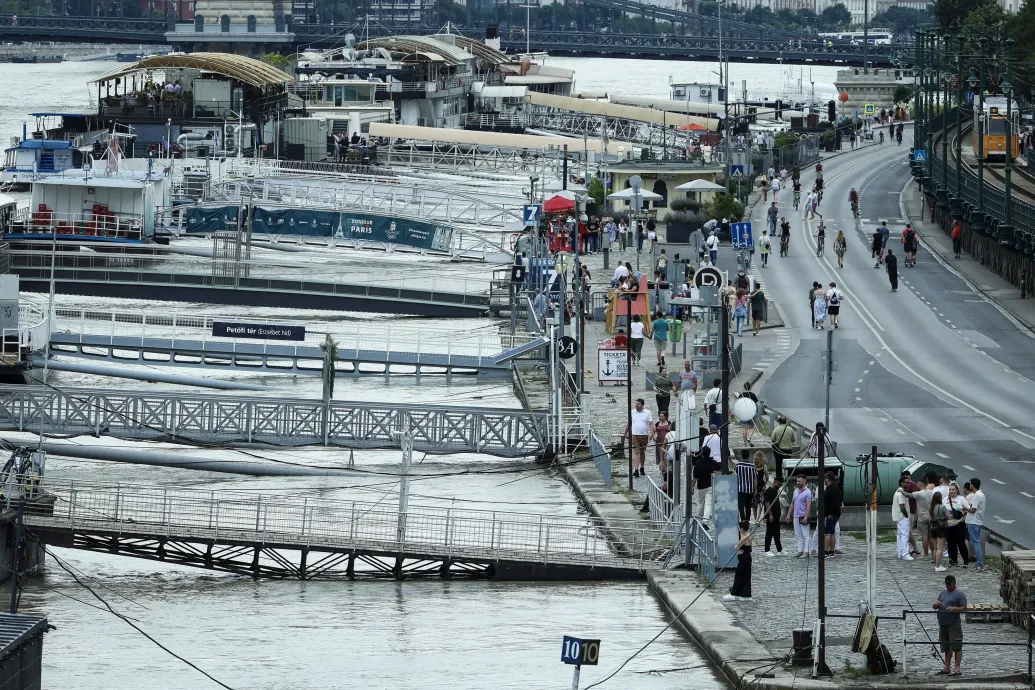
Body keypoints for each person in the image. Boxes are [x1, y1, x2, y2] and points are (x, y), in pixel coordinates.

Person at [933, 575, 967, 676]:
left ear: (954, 583)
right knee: (946, 646)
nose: (947, 586)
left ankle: (957, 668)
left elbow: (964, 608)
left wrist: (954, 608)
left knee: (956, 646)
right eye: (946, 584)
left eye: (949, 584)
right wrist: (936, 605)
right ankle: (946, 667)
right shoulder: (943, 593)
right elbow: (935, 604)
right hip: (943, 623)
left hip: (954, 624)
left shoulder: (960, 594)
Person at [695, 425, 722, 521]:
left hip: (709, 460)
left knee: (700, 502)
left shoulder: (707, 437)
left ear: (710, 430)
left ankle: (699, 518)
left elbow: (703, 447)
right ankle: (705, 519)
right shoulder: (719, 438)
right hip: (718, 461)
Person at [786, 474, 816, 557]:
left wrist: (806, 517)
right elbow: (792, 503)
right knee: (798, 534)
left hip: (803, 515)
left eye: (799, 481)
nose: (797, 482)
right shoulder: (796, 491)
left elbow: (809, 505)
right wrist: (789, 514)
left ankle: (806, 552)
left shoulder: (808, 492)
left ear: (804, 481)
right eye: (797, 481)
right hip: (796, 515)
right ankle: (800, 551)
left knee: (805, 535)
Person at [724, 521, 754, 601]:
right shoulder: (749, 535)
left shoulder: (744, 537)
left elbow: (737, 547)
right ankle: (745, 594)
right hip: (748, 558)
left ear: (742, 529)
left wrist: (737, 549)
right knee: (746, 576)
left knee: (739, 575)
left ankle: (734, 593)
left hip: (743, 558)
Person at [626, 398, 654, 478]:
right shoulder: (632, 412)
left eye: (638, 404)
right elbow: (629, 423)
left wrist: (652, 432)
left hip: (644, 435)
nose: (636, 405)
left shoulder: (647, 412)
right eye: (636, 404)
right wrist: (627, 433)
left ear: (642, 405)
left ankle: (642, 467)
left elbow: (650, 423)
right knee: (636, 452)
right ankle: (636, 470)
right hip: (634, 435)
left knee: (642, 452)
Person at [946, 482, 970, 567]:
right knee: (951, 543)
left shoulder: (961, 499)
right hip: (949, 525)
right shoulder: (945, 499)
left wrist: (964, 518)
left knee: (961, 543)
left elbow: (968, 510)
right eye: (950, 490)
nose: (951, 491)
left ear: (957, 490)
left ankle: (966, 561)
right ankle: (954, 560)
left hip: (959, 524)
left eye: (953, 489)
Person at [963, 477, 985, 571]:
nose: (970, 486)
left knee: (975, 542)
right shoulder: (981, 494)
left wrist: (965, 508)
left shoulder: (977, 495)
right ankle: (979, 562)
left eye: (971, 484)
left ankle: (980, 563)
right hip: (976, 521)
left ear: (973, 485)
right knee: (976, 542)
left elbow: (973, 509)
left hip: (973, 521)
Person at [893, 476, 914, 560]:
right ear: (902, 483)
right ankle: (905, 553)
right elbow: (902, 506)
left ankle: (900, 552)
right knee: (905, 534)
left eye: (909, 482)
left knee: (900, 535)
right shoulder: (901, 493)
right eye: (906, 482)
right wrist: (906, 516)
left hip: (899, 517)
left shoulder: (898, 492)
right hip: (902, 517)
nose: (908, 484)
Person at [823, 472, 842, 557]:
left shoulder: (833, 488)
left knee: (828, 533)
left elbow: (834, 502)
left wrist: (831, 513)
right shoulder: (831, 488)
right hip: (831, 513)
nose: (824, 480)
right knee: (832, 533)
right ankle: (831, 551)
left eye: (825, 478)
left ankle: (826, 551)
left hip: (831, 514)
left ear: (828, 479)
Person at [763, 476, 783, 556]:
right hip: (771, 516)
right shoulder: (768, 491)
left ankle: (779, 549)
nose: (779, 486)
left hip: (776, 516)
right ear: (775, 482)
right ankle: (767, 550)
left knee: (777, 533)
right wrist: (770, 514)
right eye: (779, 484)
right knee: (769, 533)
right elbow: (767, 503)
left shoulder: (775, 491)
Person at [770, 416, 794, 480]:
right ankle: (788, 477)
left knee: (778, 463)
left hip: (779, 449)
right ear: (785, 422)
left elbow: (772, 439)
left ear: (779, 422)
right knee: (788, 464)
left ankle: (779, 477)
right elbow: (793, 439)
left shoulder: (776, 429)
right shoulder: (790, 429)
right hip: (788, 450)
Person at [930, 490, 949, 572]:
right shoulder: (942, 506)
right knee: (940, 548)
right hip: (940, 528)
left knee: (935, 548)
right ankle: (938, 566)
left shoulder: (931, 507)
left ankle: (936, 564)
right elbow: (948, 516)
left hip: (933, 527)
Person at [735, 450, 756, 521]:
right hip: (749, 489)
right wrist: (755, 489)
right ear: (749, 455)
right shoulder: (752, 466)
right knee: (748, 506)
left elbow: (734, 476)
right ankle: (747, 520)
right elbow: (755, 478)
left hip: (740, 489)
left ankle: (743, 519)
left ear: (741, 456)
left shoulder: (737, 465)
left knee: (741, 506)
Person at [753, 451, 768, 521]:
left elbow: (767, 477)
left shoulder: (761, 467)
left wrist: (764, 484)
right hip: (758, 486)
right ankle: (756, 518)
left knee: (758, 503)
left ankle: (757, 518)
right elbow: (767, 477)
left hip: (757, 486)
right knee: (757, 503)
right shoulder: (755, 466)